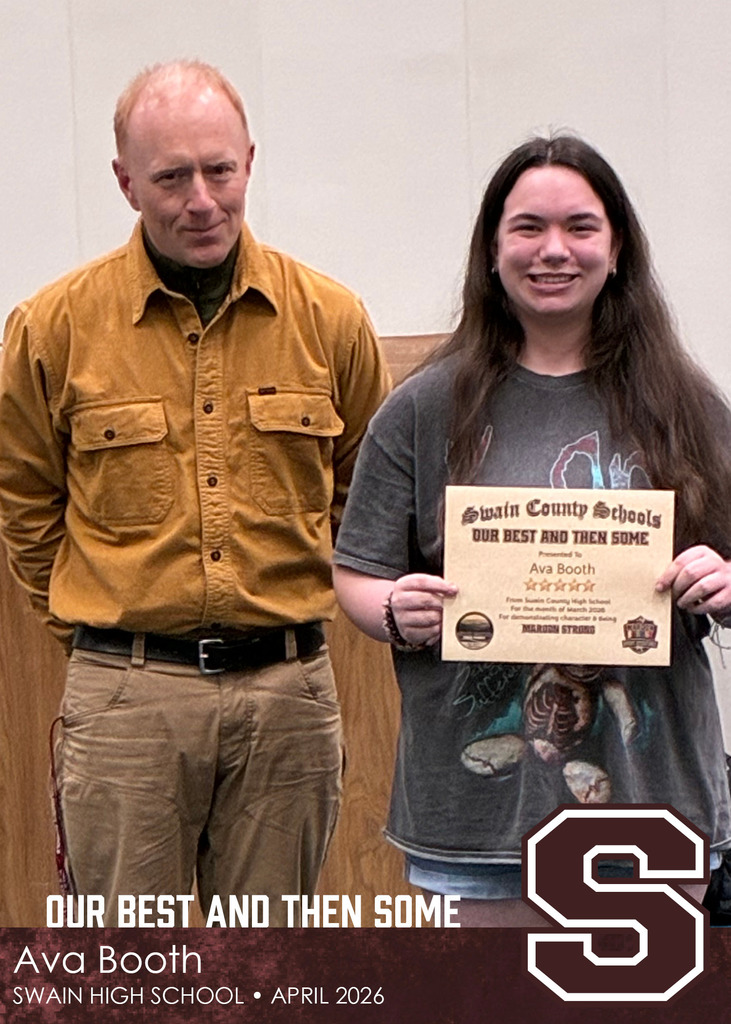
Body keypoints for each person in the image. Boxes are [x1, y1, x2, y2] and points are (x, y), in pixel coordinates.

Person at [0, 60, 390, 926]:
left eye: (219, 170)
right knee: (131, 978)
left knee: (270, 973)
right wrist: (99, 635)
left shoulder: (330, 320)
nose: (201, 199)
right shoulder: (52, 329)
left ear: (249, 160)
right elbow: (26, 508)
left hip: (288, 699)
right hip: (127, 702)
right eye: (171, 176)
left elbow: (366, 494)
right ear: (125, 181)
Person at [332, 133, 731, 926]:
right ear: (491, 249)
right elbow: (357, 567)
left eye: (580, 227)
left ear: (616, 250)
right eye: (527, 228)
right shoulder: (423, 408)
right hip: (478, 814)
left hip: (649, 801)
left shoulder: (683, 403)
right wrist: (388, 608)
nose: (554, 250)